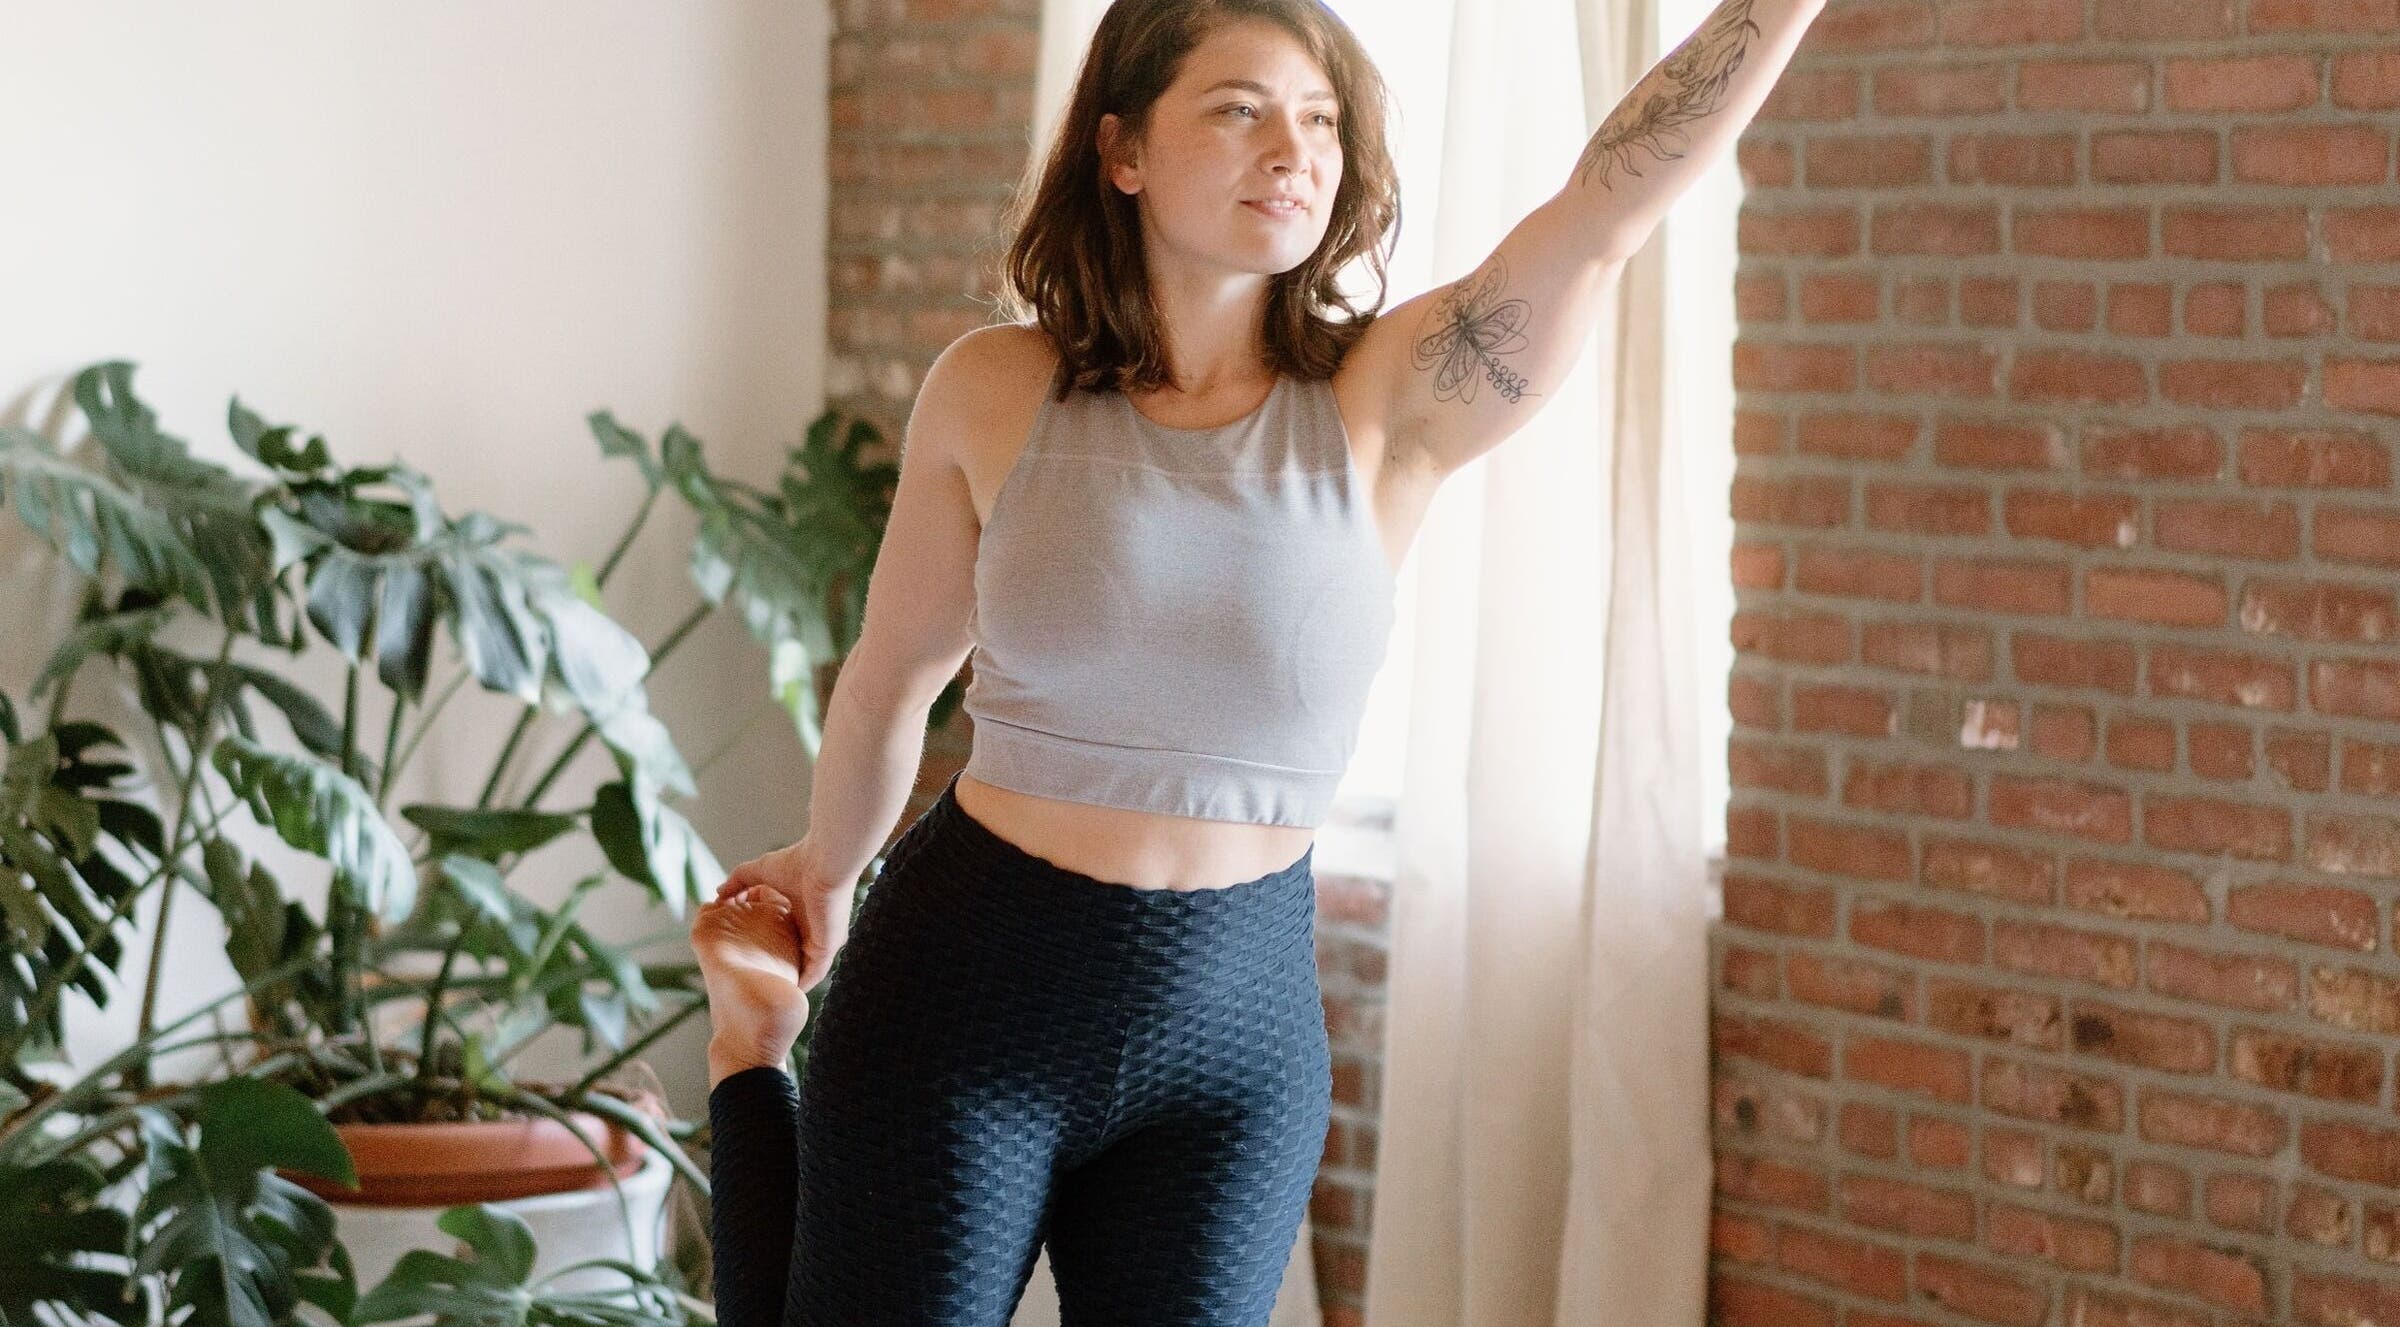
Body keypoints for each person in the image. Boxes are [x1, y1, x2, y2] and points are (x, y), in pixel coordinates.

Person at [687, 0, 1824, 1322]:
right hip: (967, 987)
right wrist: (824, 869)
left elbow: (1607, 209)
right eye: (1239, 109)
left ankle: (746, 1052)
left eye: (1321, 119)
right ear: (1122, 152)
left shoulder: (1390, 402)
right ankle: (748, 1052)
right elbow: (894, 672)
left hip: (1233, 1034)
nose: (1291, 148)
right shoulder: (995, 388)